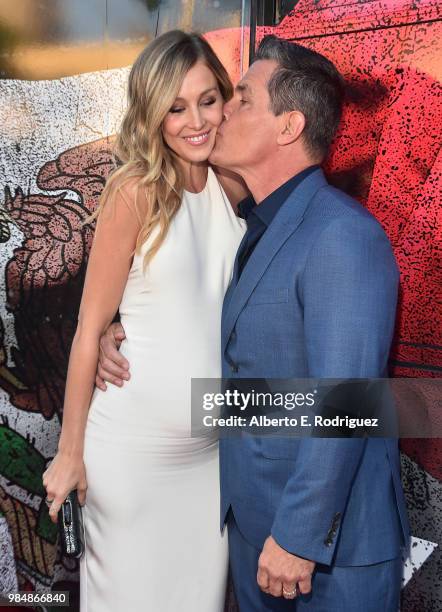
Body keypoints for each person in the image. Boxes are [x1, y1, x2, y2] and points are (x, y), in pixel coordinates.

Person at [100, 35, 410, 611]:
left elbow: (346, 401)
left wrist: (297, 536)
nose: (221, 114)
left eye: (240, 99)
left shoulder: (341, 234)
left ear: (288, 126)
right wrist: (113, 333)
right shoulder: (257, 223)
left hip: (323, 555)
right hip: (253, 533)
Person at [42, 30, 247, 611]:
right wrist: (70, 452)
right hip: (132, 458)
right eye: (176, 107)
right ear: (152, 113)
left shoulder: (230, 184)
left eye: (208, 100)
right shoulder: (135, 192)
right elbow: (89, 330)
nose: (196, 121)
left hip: (210, 464)